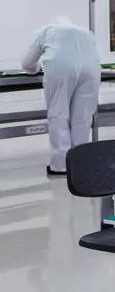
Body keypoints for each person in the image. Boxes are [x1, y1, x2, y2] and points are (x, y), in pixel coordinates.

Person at [22, 16, 102, 177]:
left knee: (58, 115)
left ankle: (60, 166)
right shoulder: (86, 32)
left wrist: (36, 68)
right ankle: (80, 163)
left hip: (61, 70)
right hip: (91, 71)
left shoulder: (47, 30)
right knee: (83, 117)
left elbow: (27, 63)